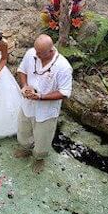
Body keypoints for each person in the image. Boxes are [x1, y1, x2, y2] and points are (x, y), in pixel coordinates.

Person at [14, 34, 73, 173]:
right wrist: (25, 86)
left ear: (51, 51)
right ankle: (26, 149)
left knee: (43, 138)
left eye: (40, 53)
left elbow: (64, 92)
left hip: (46, 111)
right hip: (27, 104)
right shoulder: (32, 53)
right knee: (23, 131)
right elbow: (22, 70)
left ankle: (39, 158)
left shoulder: (63, 67)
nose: (36, 55)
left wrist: (40, 97)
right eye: (36, 51)